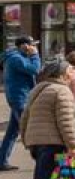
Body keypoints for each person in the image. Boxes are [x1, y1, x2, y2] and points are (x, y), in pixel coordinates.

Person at [0, 35, 40, 172]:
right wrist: (35, 56)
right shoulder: (16, 58)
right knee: (30, 129)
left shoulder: (19, 57)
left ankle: (2, 160)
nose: (34, 47)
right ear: (24, 45)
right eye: (32, 45)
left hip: (20, 97)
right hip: (19, 98)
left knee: (12, 131)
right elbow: (34, 70)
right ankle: (43, 160)